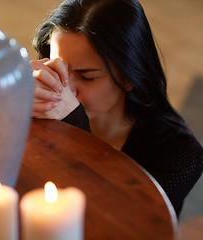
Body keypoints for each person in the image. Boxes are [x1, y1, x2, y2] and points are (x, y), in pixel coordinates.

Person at [30, 0, 203, 217]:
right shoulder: (42, 109)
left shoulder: (180, 154)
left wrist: (73, 124)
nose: (66, 88)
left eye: (87, 77)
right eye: (59, 69)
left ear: (130, 75)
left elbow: (113, 220)